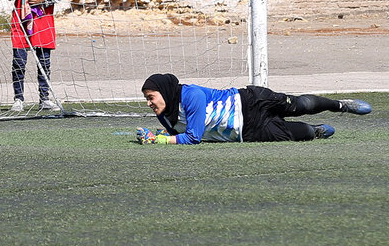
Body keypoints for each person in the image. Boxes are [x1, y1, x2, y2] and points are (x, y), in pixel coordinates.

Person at [136, 73, 372, 144]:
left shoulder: (191, 95)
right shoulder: (165, 117)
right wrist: (157, 134)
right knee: (298, 134)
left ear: (164, 92)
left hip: (250, 102)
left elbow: (194, 137)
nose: (149, 103)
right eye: (147, 99)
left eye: (151, 97)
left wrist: (161, 141)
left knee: (300, 105)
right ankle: (316, 130)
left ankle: (340, 105)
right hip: (244, 132)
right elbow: (179, 134)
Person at [6, 0, 65, 112]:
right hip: (21, 20)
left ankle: (44, 98)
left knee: (44, 61)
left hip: (43, 18)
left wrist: (43, 0)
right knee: (19, 61)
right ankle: (18, 98)